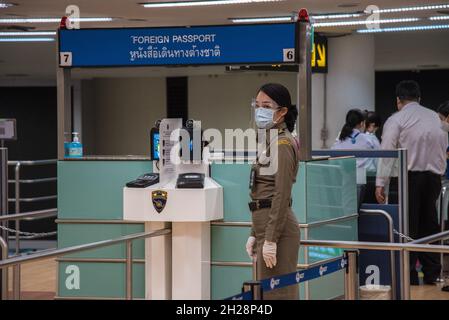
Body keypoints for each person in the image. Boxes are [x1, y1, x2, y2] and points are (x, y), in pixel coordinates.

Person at [375, 80, 448, 285]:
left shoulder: (396, 119)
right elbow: (444, 146)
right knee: (430, 225)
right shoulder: (437, 118)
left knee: (408, 226)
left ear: (398, 100)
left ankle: (409, 275)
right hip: (434, 178)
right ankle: (432, 272)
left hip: (408, 179)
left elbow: (387, 152)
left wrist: (380, 182)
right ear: (419, 98)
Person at [245, 83, 300, 300]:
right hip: (265, 224)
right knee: (267, 294)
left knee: (278, 294)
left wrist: (270, 239)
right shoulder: (270, 140)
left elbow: (281, 193)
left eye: (266, 105)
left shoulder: (282, 143)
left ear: (283, 111)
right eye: (257, 105)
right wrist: (254, 233)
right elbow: (261, 190)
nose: (260, 110)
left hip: (277, 228)